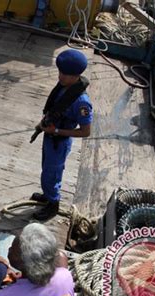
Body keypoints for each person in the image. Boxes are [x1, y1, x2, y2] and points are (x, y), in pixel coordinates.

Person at [30, 49, 93, 220]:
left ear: (76, 75)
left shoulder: (82, 103)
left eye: (65, 74)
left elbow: (86, 131)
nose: (60, 77)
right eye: (60, 72)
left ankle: (53, 205)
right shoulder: (64, 87)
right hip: (50, 136)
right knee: (46, 170)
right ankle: (47, 194)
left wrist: (57, 131)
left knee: (52, 173)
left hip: (60, 141)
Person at [0, 223, 75, 296]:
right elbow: (61, 257)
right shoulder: (65, 277)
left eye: (12, 249)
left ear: (22, 263)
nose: (9, 249)